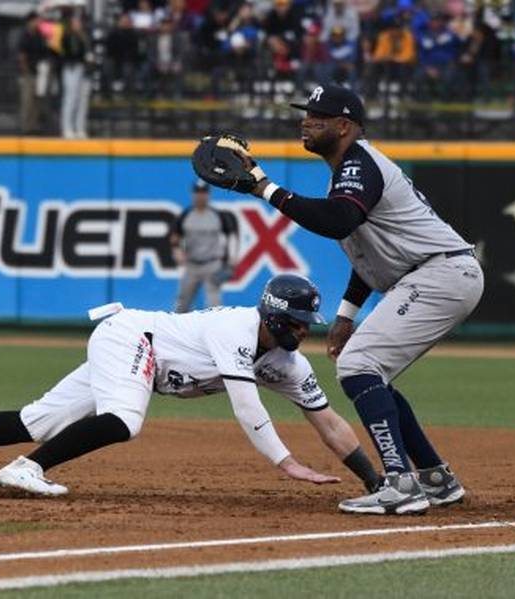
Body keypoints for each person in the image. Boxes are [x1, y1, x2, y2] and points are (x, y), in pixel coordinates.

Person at [200, 84, 484, 515]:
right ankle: (434, 478)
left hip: (440, 273)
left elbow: (336, 222)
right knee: (372, 372)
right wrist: (346, 316)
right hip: (436, 273)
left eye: (317, 117)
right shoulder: (350, 170)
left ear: (344, 126)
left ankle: (400, 484)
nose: (306, 122)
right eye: (305, 114)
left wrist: (266, 189)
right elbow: (365, 253)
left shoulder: (360, 162)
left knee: (359, 366)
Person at [0, 274, 383, 497]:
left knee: (35, 421)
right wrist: (287, 463)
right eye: (297, 322)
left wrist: (373, 480)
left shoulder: (289, 365)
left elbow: (329, 422)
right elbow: (247, 406)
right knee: (124, 420)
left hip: (137, 354)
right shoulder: (236, 328)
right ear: (274, 316)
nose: (303, 331)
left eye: (306, 324)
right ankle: (25, 469)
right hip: (132, 338)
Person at [170, 179, 239, 313]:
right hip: (191, 265)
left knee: (214, 305)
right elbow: (175, 237)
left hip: (212, 264)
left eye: (203, 192)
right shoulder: (186, 215)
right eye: (198, 192)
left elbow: (231, 236)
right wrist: (177, 251)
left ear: (208, 194)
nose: (200, 196)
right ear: (193, 194)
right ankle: (178, 331)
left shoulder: (217, 215)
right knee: (182, 303)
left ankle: (215, 333)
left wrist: (231, 259)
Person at [59, 12, 92, 139]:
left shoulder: (85, 37)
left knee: (82, 100)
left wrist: (88, 60)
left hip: (84, 70)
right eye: (75, 22)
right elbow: (69, 53)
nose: (78, 24)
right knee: (70, 98)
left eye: (79, 22)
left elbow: (88, 52)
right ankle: (67, 127)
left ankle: (80, 128)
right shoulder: (67, 36)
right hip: (72, 68)